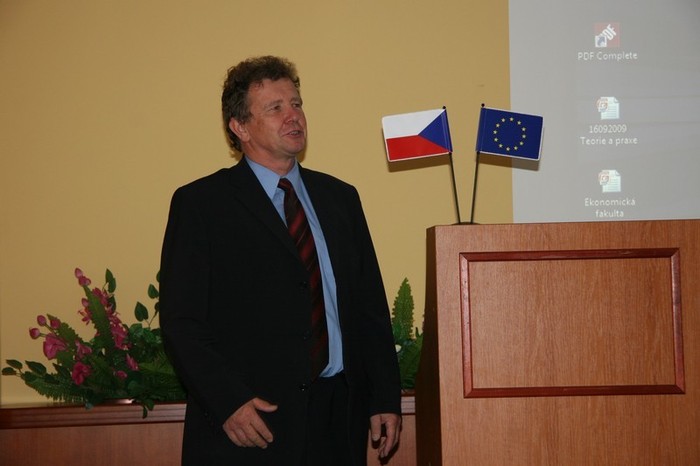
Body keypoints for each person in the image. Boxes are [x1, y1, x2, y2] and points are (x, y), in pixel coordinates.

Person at [159, 55, 402, 466]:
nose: (293, 116)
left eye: (296, 104)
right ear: (240, 127)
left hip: (337, 420)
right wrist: (228, 402)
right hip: (251, 423)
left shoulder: (340, 198)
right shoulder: (202, 205)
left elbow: (369, 309)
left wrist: (384, 397)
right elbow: (182, 323)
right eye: (275, 108)